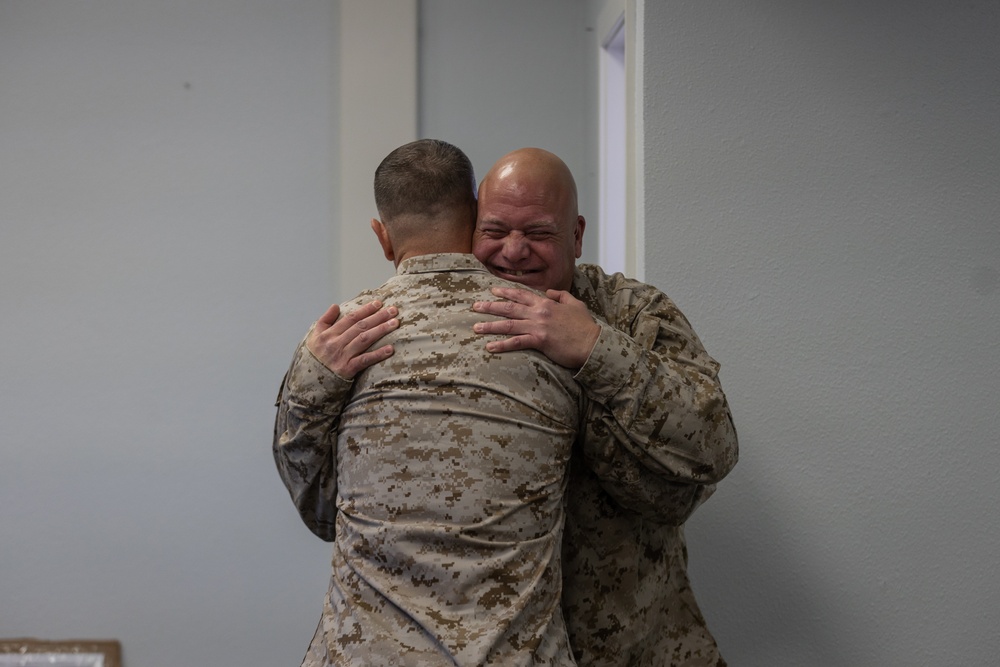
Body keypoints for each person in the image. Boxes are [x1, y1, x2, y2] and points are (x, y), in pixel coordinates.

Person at [273, 139, 583, 666]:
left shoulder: (339, 342)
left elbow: (324, 514)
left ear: (382, 236)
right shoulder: (552, 331)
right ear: (473, 223)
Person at [469, 147, 738, 666]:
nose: (515, 250)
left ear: (576, 235)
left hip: (639, 649)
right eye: (495, 231)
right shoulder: (442, 333)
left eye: (540, 233)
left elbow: (714, 444)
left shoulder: (631, 313)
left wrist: (596, 350)